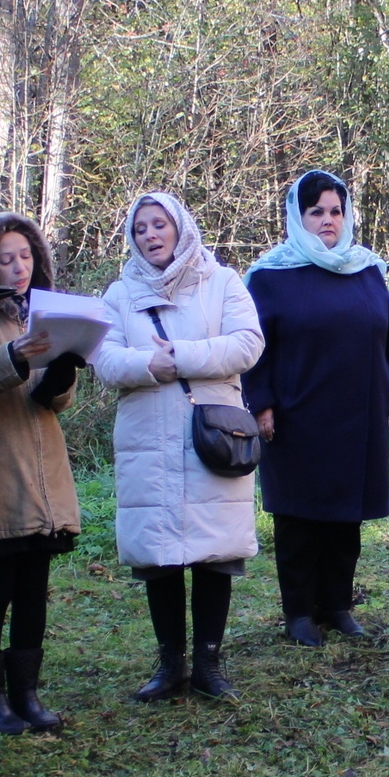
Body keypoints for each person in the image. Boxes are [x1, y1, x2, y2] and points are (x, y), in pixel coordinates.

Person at [93, 191, 265, 700]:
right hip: (148, 438)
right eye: (141, 227)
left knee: (214, 552)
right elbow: (101, 357)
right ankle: (170, 666)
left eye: (159, 224)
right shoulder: (119, 294)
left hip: (212, 434)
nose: (150, 234)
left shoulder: (223, 281)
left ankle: (209, 666)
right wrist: (149, 366)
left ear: (180, 227)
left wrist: (183, 356)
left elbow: (248, 343)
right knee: (160, 554)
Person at [242, 170, 389, 646]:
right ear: (298, 218)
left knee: (346, 516)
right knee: (300, 518)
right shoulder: (271, 275)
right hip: (297, 415)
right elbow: (254, 346)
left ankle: (337, 605)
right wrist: (260, 404)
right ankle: (299, 612)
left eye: (335, 211)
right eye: (316, 212)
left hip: (358, 414)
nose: (327, 221)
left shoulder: (363, 268)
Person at [0, 211, 83, 736]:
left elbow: (52, 404)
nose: (19, 267)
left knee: (33, 591)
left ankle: (26, 694)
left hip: (45, 479)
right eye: (6, 259)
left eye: (26, 256)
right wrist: (12, 357)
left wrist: (62, 375)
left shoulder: (40, 316)